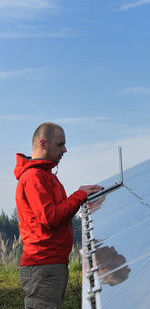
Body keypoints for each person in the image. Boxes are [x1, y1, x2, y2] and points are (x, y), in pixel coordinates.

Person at [14, 122, 104, 308]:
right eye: (60, 144)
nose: (65, 150)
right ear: (43, 144)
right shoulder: (34, 177)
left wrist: (81, 195)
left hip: (50, 263)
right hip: (42, 264)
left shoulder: (45, 174)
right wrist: (79, 195)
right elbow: (50, 217)